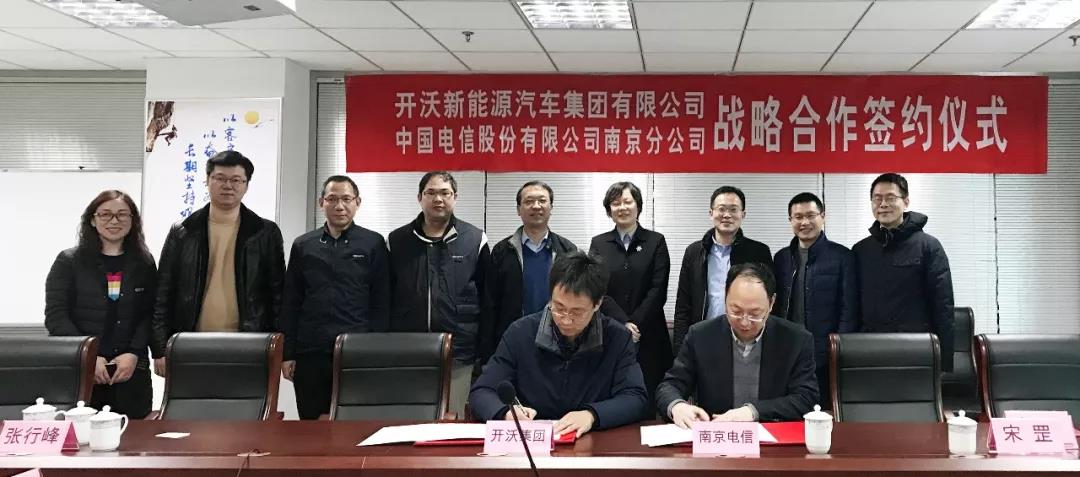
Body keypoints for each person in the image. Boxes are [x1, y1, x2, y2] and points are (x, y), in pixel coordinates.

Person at [469, 251, 647, 437]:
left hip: (592, 441)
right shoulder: (521, 333)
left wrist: (592, 415)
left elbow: (635, 397)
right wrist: (506, 413)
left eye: (577, 312)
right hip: (533, 441)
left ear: (597, 304)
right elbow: (482, 391)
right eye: (559, 308)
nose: (566, 320)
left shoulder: (617, 338)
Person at [151, 150, 285, 376]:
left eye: (236, 180)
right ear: (207, 180)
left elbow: (278, 294)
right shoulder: (183, 231)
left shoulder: (264, 232)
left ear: (246, 185)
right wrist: (160, 348)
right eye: (220, 178)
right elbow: (162, 292)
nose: (228, 186)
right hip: (190, 343)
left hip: (250, 344)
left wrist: (278, 350)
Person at [281, 175, 390, 419]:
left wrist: (377, 348)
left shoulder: (373, 243)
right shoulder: (304, 245)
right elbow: (291, 302)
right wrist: (288, 354)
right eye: (332, 199)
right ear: (321, 202)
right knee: (312, 421)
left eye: (346, 199)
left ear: (357, 202)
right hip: (311, 351)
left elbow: (381, 301)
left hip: (357, 350)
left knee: (355, 421)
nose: (339, 206)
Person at [657, 263, 817, 427]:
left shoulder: (796, 340)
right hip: (717, 434)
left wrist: (753, 412)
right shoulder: (700, 336)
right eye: (736, 311)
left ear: (771, 303)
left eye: (755, 314)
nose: (745, 322)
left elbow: (806, 397)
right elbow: (669, 386)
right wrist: (677, 406)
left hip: (772, 434)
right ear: (725, 297)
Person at [45, 190, 156, 418]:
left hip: (130, 370)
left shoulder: (143, 262)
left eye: (122, 214)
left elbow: (150, 313)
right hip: (82, 370)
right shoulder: (69, 261)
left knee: (134, 434)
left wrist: (134, 353)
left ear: (132, 221)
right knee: (81, 434)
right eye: (105, 214)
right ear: (92, 220)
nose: (114, 221)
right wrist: (87, 355)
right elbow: (56, 317)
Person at [388, 171, 490, 416]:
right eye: (431, 193)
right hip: (410, 349)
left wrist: (484, 349)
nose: (438, 199)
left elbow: (488, 298)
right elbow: (385, 295)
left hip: (459, 349)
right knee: (412, 419)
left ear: (455, 197)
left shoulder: (474, 239)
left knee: (452, 419)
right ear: (419, 198)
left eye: (445, 193)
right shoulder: (397, 240)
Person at [853, 173, 955, 371]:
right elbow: (852, 305)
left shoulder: (928, 246)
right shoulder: (861, 250)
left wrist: (943, 362)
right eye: (877, 198)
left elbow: (943, 305)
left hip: (916, 350)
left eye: (890, 198)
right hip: (870, 349)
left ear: (906, 201)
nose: (883, 204)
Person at [589, 181, 672, 418]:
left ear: (638, 206)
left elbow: (658, 289)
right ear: (609, 209)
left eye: (628, 202)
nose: (622, 207)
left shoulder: (656, 241)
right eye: (616, 203)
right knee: (614, 396)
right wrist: (622, 323)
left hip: (650, 334)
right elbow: (596, 287)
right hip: (610, 331)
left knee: (651, 397)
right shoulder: (599, 243)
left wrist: (635, 323)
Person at [773, 192, 858, 406]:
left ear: (823, 216)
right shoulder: (782, 258)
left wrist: (838, 349)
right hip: (788, 350)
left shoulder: (842, 257)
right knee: (790, 407)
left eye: (811, 215)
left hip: (824, 353)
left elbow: (849, 309)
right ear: (790, 220)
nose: (805, 222)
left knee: (824, 410)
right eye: (798, 217)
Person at [479, 181, 576, 365]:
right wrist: (486, 353)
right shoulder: (502, 251)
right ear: (519, 209)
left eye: (542, 201)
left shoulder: (567, 250)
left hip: (557, 340)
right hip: (513, 340)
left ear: (551, 208)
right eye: (529, 201)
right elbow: (490, 303)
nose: (536, 206)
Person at [672, 185, 772, 353]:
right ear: (711, 213)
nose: (727, 215)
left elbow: (767, 302)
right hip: (703, 338)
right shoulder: (694, 252)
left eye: (733, 209)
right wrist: (680, 350)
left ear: (743, 214)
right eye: (721, 209)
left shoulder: (759, 252)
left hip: (745, 340)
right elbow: (683, 305)